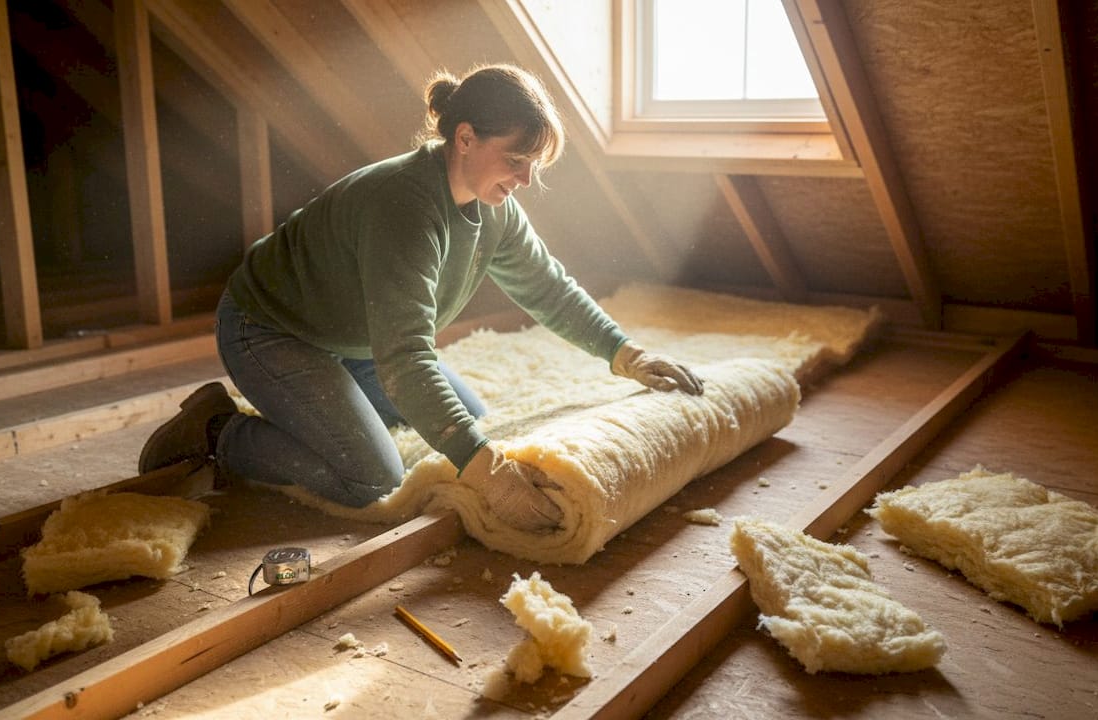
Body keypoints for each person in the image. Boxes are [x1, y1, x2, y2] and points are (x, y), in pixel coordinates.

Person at [138, 64, 703, 532]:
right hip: (270, 329)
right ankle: (217, 431)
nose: (527, 179)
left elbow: (547, 287)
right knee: (373, 478)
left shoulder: (494, 208)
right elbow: (407, 358)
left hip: (357, 335)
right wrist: (487, 473)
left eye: (535, 165)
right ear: (464, 139)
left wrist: (625, 354)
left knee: (474, 423)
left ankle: (317, 407)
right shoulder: (405, 208)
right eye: (516, 160)